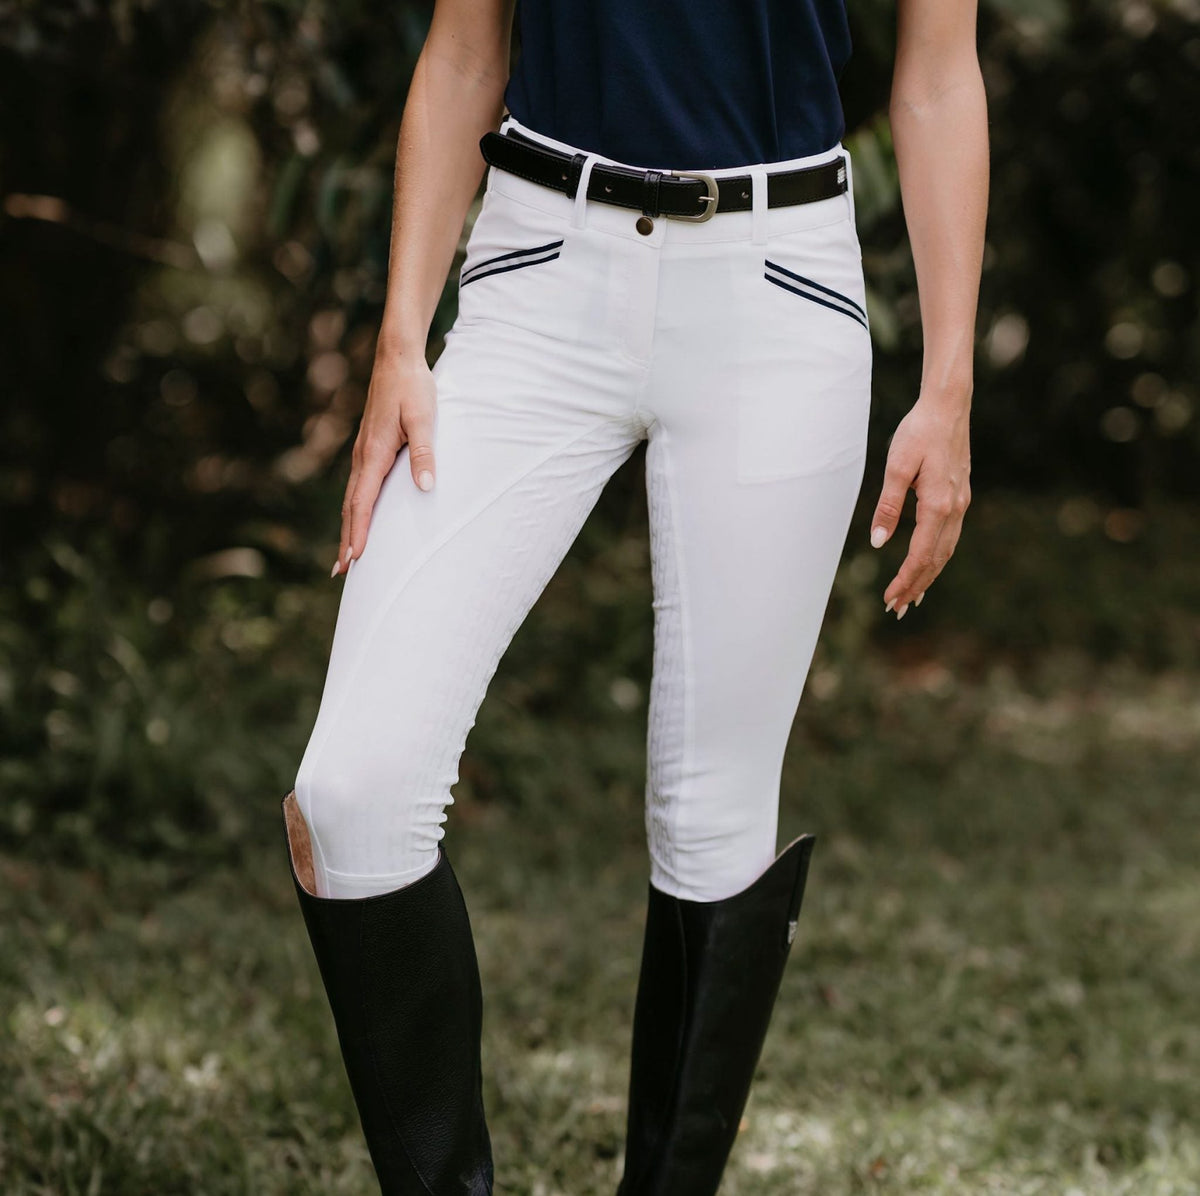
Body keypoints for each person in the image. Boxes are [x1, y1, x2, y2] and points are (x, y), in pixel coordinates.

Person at [279, 0, 986, 1191]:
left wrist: (951, 382)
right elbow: (464, 49)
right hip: (536, 273)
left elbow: (937, 76)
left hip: (779, 286)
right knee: (351, 794)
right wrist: (402, 336)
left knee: (713, 817)